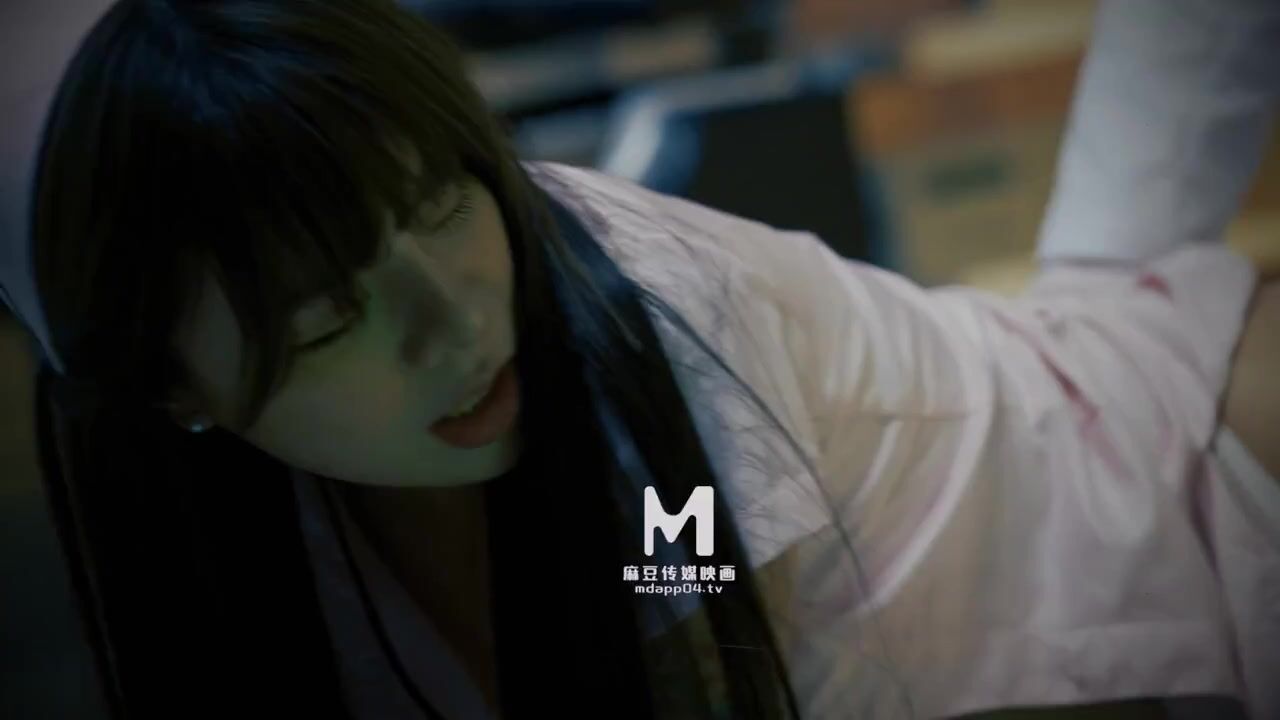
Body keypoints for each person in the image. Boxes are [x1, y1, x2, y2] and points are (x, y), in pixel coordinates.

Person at [0, 1, 1275, 719]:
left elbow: (701, 646)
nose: (456, 327)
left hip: (1196, 479)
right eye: (329, 319)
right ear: (170, 389)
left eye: (442, 204)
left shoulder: (656, 335)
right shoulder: (203, 544)